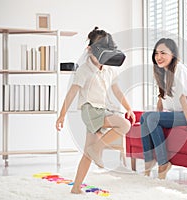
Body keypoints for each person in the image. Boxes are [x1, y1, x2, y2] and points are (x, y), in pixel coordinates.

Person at [55, 27, 136, 194]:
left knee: (88, 152)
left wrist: (129, 108)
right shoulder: (84, 70)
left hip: (101, 110)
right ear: (90, 49)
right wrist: (62, 115)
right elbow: (72, 93)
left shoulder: (109, 70)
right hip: (90, 111)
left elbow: (117, 91)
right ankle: (97, 149)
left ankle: (76, 187)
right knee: (124, 125)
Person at [140, 38, 187, 179]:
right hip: (179, 113)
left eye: (163, 53)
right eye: (156, 53)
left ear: (173, 54)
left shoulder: (179, 70)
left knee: (151, 117)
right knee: (145, 117)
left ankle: (163, 163)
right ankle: (148, 162)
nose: (158, 57)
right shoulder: (161, 73)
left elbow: (183, 98)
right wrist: (153, 119)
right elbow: (161, 99)